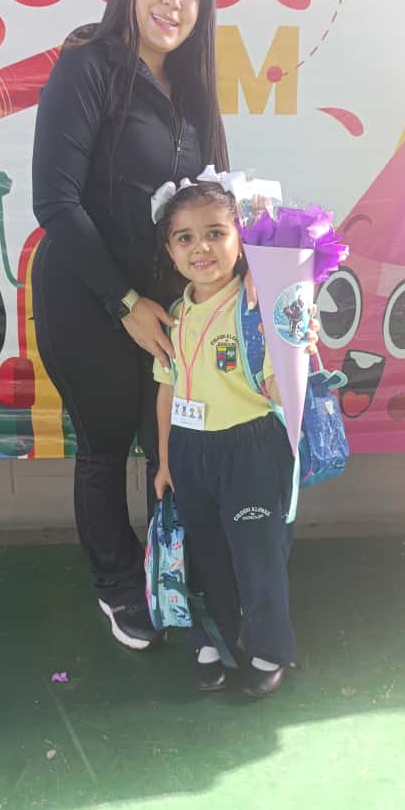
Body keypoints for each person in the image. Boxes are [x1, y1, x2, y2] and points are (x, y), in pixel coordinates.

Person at [31, 0, 230, 652]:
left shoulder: (193, 88)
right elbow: (55, 202)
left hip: (167, 307)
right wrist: (123, 303)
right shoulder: (88, 66)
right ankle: (117, 584)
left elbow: (214, 204)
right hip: (87, 299)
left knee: (170, 443)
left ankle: (169, 569)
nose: (174, 0)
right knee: (106, 446)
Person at [153, 180, 306, 699]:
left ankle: (269, 649)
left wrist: (298, 346)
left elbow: (279, 385)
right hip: (189, 450)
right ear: (169, 250)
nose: (200, 247)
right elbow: (167, 389)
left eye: (215, 233)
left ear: (241, 239)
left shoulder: (258, 304)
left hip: (251, 449)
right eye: (185, 237)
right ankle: (212, 640)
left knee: (258, 555)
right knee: (204, 553)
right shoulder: (174, 316)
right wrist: (165, 459)